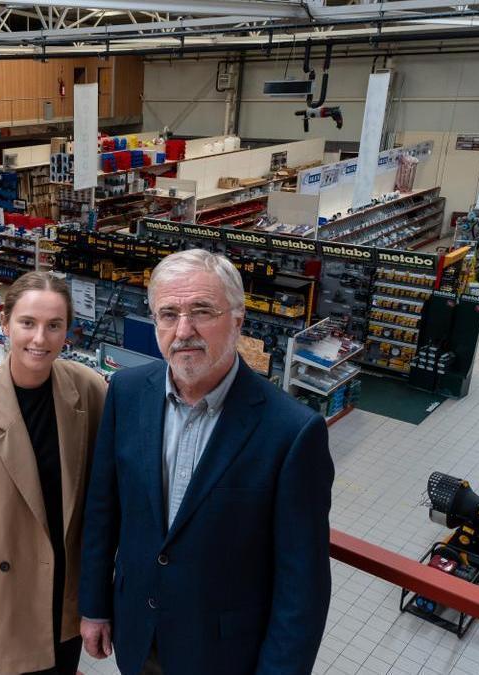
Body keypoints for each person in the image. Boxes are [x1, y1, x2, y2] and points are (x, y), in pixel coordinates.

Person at [78, 249, 334, 675]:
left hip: (224, 657)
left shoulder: (292, 432)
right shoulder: (126, 393)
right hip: (138, 635)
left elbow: (302, 585)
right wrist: (95, 606)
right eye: (169, 313)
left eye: (201, 311)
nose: (183, 330)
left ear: (237, 320)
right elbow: (103, 511)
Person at [0, 272, 107, 675]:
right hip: (6, 596)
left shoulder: (89, 391)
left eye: (54, 326)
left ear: (69, 331)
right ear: (5, 323)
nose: (40, 339)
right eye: (28, 323)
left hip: (66, 594)